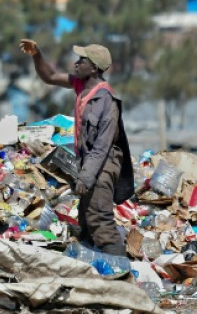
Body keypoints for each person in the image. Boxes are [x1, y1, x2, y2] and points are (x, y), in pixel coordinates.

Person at [19, 39, 134, 256]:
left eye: (82, 60)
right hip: (91, 164)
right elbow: (50, 77)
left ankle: (122, 274)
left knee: (100, 221)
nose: (76, 63)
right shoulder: (81, 86)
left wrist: (86, 178)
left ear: (94, 68)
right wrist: (36, 54)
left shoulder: (105, 100)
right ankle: (97, 271)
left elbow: (102, 145)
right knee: (87, 222)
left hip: (103, 166)